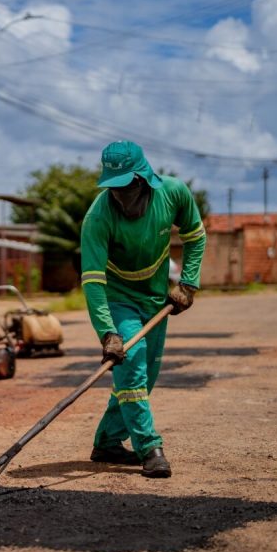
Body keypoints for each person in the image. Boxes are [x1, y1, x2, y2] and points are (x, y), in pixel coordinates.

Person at [80, 141, 207, 478]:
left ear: (143, 180)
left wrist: (188, 284)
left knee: (144, 377)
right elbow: (93, 281)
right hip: (117, 298)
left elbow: (196, 236)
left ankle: (107, 441)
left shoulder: (173, 193)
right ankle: (150, 448)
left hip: (154, 299)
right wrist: (108, 333)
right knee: (131, 363)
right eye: (114, 188)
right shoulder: (98, 217)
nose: (120, 196)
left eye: (126, 187)